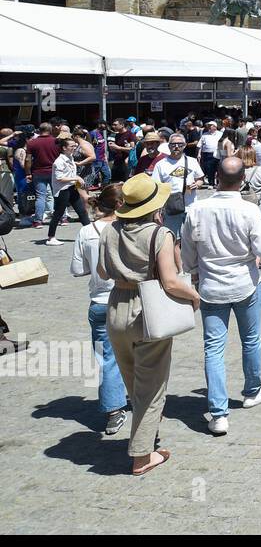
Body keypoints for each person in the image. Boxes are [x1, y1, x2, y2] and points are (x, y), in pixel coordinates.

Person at [97, 173, 200, 476]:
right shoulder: (160, 234)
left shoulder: (108, 231)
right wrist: (194, 296)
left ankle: (148, 433)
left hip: (116, 306)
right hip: (148, 309)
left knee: (133, 381)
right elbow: (169, 280)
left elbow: (103, 272)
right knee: (152, 388)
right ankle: (142, 454)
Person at [181, 156, 261, 437]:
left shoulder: (197, 210)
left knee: (213, 348)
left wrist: (195, 271)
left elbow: (187, 252)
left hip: (210, 285)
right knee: (251, 338)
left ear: (216, 178)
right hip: (245, 282)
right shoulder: (248, 210)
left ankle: (219, 412)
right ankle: (253, 389)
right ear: (243, 180)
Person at [70, 184, 128, 436]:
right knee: (139, 352)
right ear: (120, 205)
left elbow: (77, 269)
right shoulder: (128, 229)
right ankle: (141, 398)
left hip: (100, 301)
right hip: (129, 299)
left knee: (106, 358)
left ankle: (113, 411)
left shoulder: (86, 231)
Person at [152, 134, 204, 237]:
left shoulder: (192, 161)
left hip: (191, 206)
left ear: (184, 145)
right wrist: (156, 211)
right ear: (168, 146)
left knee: (194, 238)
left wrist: (197, 184)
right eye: (173, 144)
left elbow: (200, 179)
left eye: (180, 144)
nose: (176, 147)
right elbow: (156, 188)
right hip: (171, 207)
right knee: (173, 238)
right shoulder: (161, 164)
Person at [44, 137, 91, 245]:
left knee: (82, 211)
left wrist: (77, 179)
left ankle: (90, 234)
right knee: (58, 213)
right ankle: (51, 238)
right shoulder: (59, 161)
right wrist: (76, 178)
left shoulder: (70, 158)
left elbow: (69, 174)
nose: (74, 148)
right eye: (72, 146)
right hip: (62, 190)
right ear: (64, 148)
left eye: (75, 146)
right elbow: (59, 178)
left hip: (71, 188)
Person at [25, 122, 60, 226]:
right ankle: (62, 218)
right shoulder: (56, 141)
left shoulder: (32, 143)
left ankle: (38, 221)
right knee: (58, 195)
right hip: (54, 172)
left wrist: (28, 173)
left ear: (39, 130)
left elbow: (28, 159)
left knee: (41, 196)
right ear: (50, 130)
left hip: (38, 172)